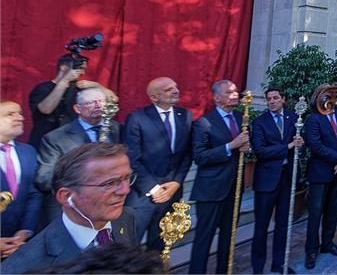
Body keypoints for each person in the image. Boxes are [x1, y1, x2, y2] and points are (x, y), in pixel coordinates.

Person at [1, 143, 138, 274]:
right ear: (66, 196)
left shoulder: (125, 218)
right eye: (110, 183)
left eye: (126, 178)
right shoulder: (22, 267)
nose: (125, 190)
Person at [123, 77, 193, 251]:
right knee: (129, 248)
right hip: (142, 195)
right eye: (169, 89)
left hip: (172, 194)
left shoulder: (185, 116)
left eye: (176, 86)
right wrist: (154, 189)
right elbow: (132, 159)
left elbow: (187, 154)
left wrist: (177, 182)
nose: (176, 91)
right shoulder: (137, 118)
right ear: (154, 97)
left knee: (160, 249)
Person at [188, 79, 250, 274]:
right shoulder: (204, 123)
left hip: (234, 187)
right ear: (217, 98)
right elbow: (200, 156)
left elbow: (245, 146)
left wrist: (247, 148)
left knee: (229, 235)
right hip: (211, 190)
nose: (235, 94)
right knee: (204, 237)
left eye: (235, 91)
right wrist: (230, 146)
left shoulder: (242, 117)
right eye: (230, 92)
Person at [36, 87, 120, 222]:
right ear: (77, 108)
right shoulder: (55, 138)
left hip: (111, 205)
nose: (98, 106)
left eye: (101, 101)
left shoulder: (117, 129)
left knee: (107, 241)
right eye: (91, 102)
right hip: (73, 207)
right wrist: (79, 189)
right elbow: (45, 177)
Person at [250, 88, 303, 274]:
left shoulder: (293, 118)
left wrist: (299, 141)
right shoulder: (259, 123)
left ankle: (279, 263)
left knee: (282, 224)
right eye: (269, 99)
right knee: (261, 226)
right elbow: (261, 151)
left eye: (275, 98)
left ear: (283, 99)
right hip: (266, 181)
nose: (272, 101)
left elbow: (297, 142)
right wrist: (288, 146)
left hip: (286, 179)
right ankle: (257, 267)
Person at [303, 87, 337, 270]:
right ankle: (311, 250)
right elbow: (315, 145)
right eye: (326, 95)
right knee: (315, 213)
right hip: (320, 173)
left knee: (332, 210)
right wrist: (336, 158)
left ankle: (328, 243)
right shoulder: (313, 119)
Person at [0, 101, 42, 259]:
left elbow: (33, 195)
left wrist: (25, 231)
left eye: (20, 113)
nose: (20, 118)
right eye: (10, 114)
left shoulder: (28, 151)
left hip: (17, 247)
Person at [28, 56, 98, 149]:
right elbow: (45, 109)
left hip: (72, 143)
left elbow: (113, 100)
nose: (82, 73)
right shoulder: (43, 88)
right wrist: (65, 80)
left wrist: (96, 85)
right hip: (44, 143)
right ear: (64, 68)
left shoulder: (78, 89)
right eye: (80, 68)